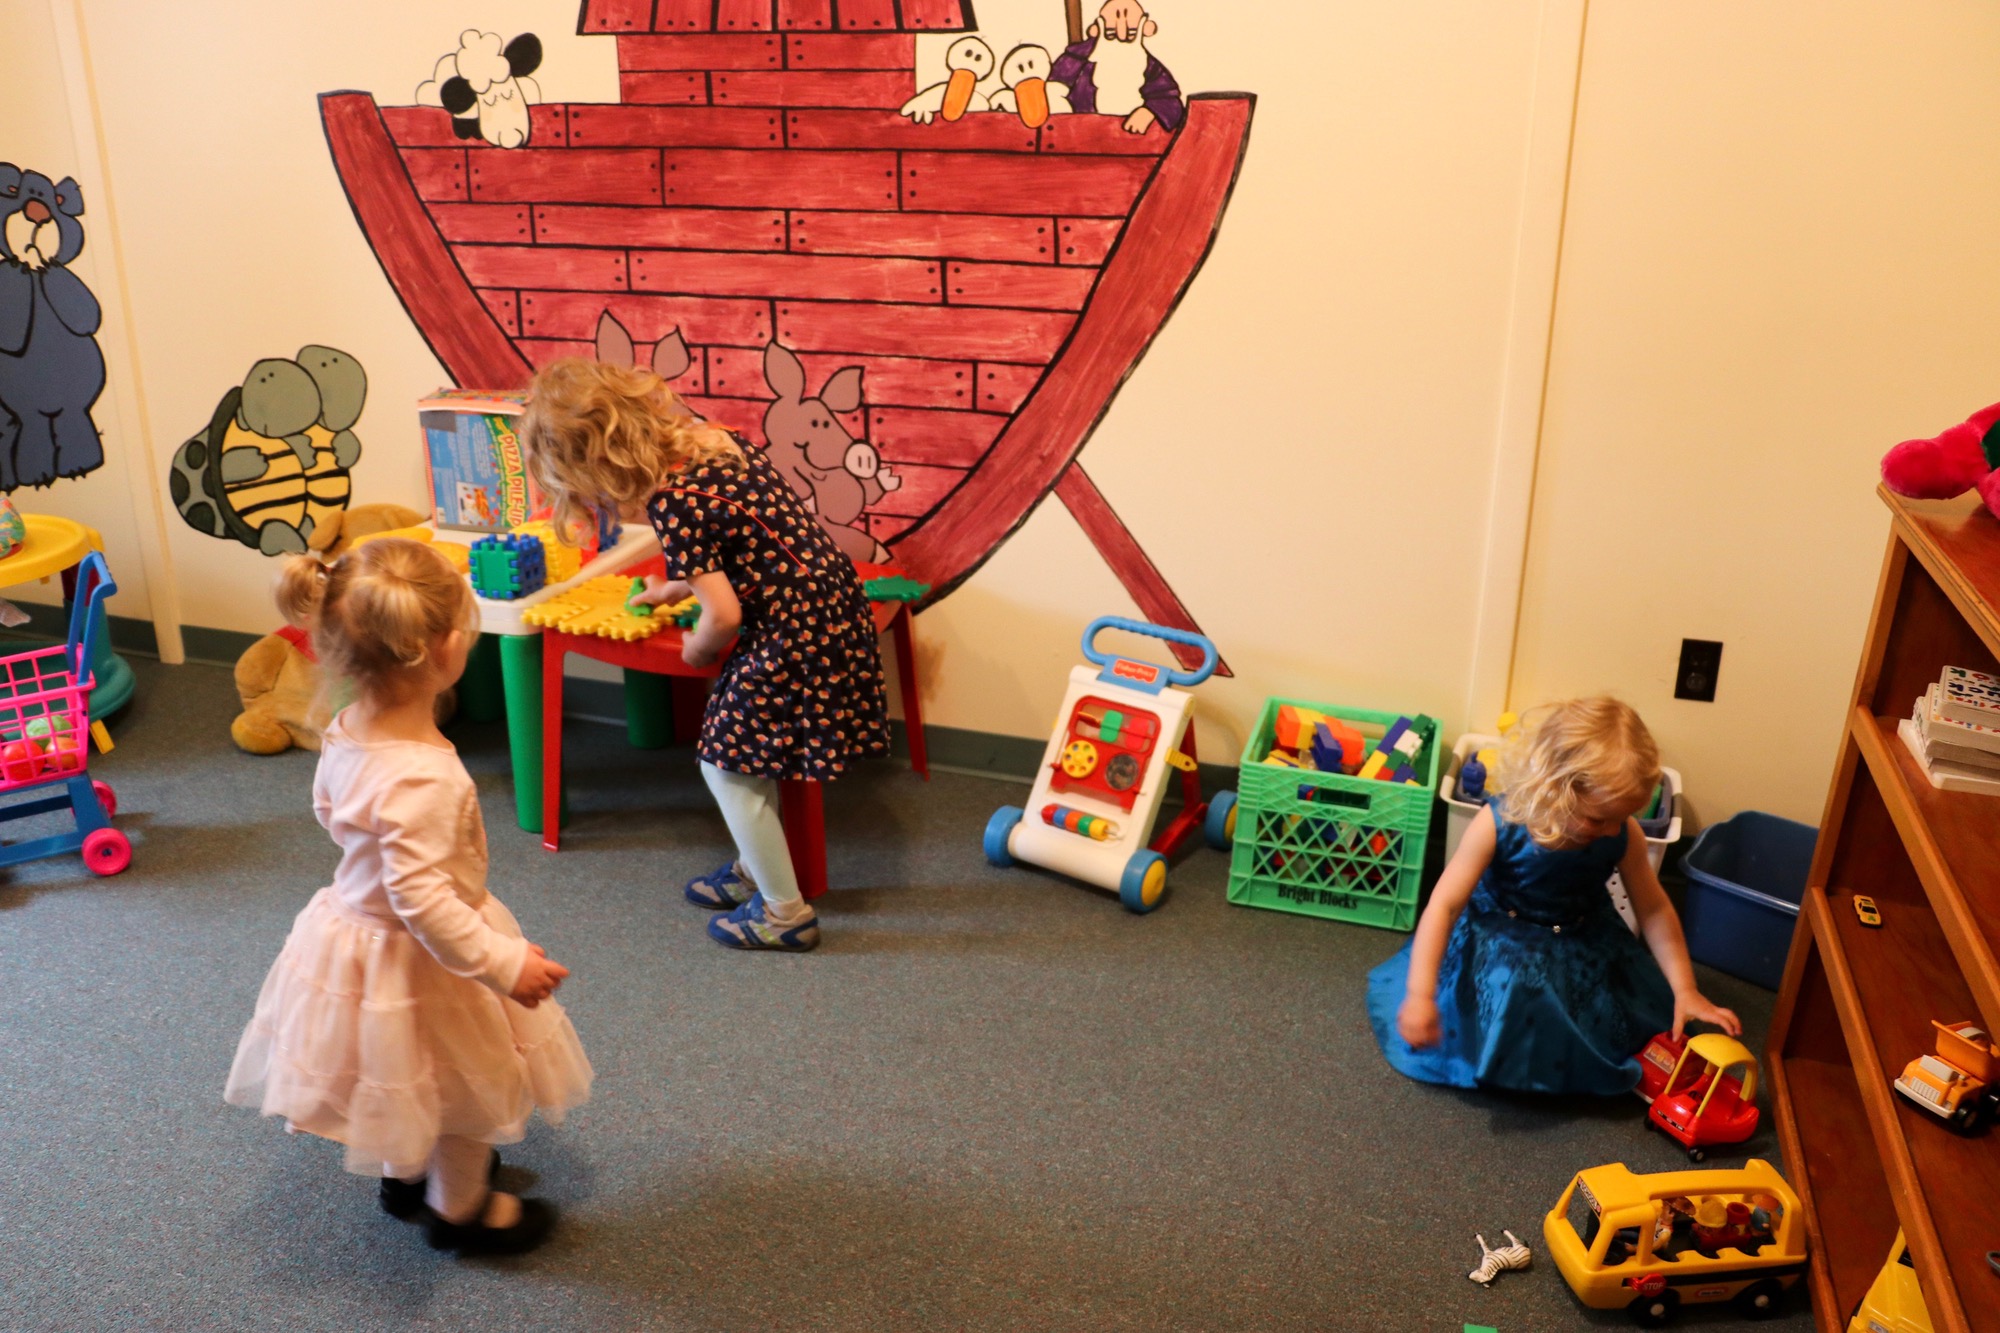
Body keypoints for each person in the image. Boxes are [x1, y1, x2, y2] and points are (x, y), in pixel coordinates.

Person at [225, 539, 591, 1254]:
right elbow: (425, 903)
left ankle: (401, 1175)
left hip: (350, 928)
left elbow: (330, 814)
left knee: (396, 1065)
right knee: (462, 1088)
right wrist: (501, 961)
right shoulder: (425, 776)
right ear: (450, 648)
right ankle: (460, 1210)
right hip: (429, 955)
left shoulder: (344, 727)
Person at [520, 358, 890, 952]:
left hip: (792, 629)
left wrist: (697, 646)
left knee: (724, 765)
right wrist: (675, 587)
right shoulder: (714, 443)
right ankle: (756, 864)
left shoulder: (675, 503)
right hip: (827, 602)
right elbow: (744, 540)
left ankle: (784, 914)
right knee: (747, 755)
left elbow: (723, 615)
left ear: (597, 467)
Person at [1367, 697, 1739, 1095]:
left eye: (1620, 818)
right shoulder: (1499, 822)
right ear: (1553, 787)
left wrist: (1685, 989)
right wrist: (1420, 994)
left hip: (1583, 935)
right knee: (1514, 994)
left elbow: (1654, 909)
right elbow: (1444, 906)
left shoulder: (1623, 832)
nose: (1613, 830)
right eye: (1599, 819)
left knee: (1622, 1020)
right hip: (1500, 936)